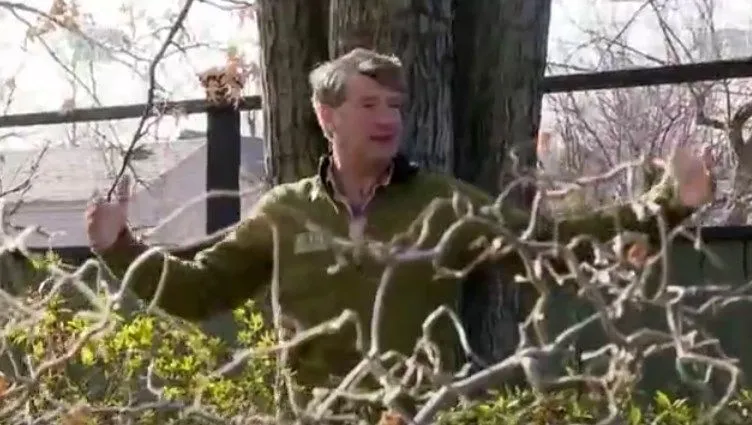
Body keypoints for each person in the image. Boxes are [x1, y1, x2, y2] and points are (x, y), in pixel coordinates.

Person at [86, 48, 715, 393]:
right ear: (327, 116)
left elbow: (548, 245)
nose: (388, 118)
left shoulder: (443, 204)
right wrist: (120, 248)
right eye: (368, 104)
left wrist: (666, 202)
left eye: (395, 105)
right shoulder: (285, 212)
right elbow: (201, 290)